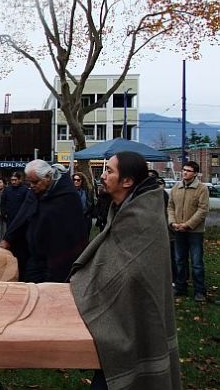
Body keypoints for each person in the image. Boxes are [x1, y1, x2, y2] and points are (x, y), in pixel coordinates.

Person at [70, 152, 180, 390]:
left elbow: (134, 271)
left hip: (134, 311)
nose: (103, 175)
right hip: (120, 310)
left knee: (126, 363)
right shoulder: (124, 207)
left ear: (127, 181)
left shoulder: (143, 215)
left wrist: (101, 284)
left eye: (109, 171)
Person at [0, 159, 86, 283]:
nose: (32, 186)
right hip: (36, 257)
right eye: (29, 182)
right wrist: (8, 239)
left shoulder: (67, 195)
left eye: (35, 182)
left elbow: (72, 230)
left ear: (48, 177)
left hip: (59, 258)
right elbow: (22, 217)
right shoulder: (34, 192)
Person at [168, 160, 209, 302]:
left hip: (195, 232)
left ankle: (199, 291)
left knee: (197, 262)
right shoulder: (176, 187)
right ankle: (181, 287)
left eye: (188, 171)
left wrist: (188, 225)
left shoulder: (202, 189)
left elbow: (203, 210)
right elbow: (170, 207)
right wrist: (172, 222)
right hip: (178, 230)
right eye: (184, 170)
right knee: (180, 260)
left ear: (195, 173)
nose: (184, 172)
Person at [72, 171, 95, 239]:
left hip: (85, 219)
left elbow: (90, 205)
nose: (76, 181)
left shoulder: (87, 191)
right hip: (74, 220)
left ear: (82, 181)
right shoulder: (70, 191)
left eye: (78, 180)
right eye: (74, 180)